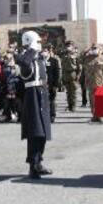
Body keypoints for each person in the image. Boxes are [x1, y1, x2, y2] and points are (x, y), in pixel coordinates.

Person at [17, 31, 52, 179]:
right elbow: (24, 63)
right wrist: (31, 49)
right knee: (34, 132)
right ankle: (33, 165)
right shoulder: (25, 58)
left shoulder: (38, 58)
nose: (39, 45)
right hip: (32, 96)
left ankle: (39, 161)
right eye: (37, 42)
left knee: (43, 132)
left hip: (42, 94)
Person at [84, 45, 103, 123]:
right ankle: (94, 115)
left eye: (96, 48)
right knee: (92, 100)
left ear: (99, 49)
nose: (94, 50)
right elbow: (79, 60)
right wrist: (86, 51)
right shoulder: (88, 58)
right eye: (93, 48)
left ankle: (100, 116)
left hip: (100, 83)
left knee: (99, 100)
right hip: (90, 82)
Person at [60, 41, 81, 112]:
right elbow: (62, 66)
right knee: (68, 92)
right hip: (65, 74)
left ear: (72, 46)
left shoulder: (76, 55)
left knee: (73, 92)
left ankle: (73, 106)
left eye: (70, 45)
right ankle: (69, 106)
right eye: (67, 46)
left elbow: (79, 66)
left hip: (73, 74)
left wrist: (78, 75)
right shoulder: (63, 55)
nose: (68, 47)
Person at [44, 47, 62, 123]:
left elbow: (57, 74)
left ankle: (52, 115)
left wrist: (56, 85)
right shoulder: (40, 61)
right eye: (42, 51)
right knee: (44, 101)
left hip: (51, 84)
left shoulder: (54, 61)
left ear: (48, 52)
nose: (43, 53)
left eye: (45, 51)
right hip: (42, 85)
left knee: (52, 101)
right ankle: (45, 115)